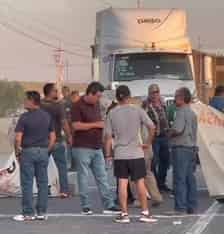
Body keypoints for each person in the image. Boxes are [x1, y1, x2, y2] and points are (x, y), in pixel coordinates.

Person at [104, 85, 157, 223]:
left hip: (120, 153)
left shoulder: (111, 113)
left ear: (117, 97)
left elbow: (108, 137)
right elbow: (152, 126)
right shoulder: (137, 110)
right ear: (129, 96)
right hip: (136, 152)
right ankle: (145, 213)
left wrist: (108, 154)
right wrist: (148, 143)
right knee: (140, 183)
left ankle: (124, 214)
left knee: (122, 183)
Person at [71, 82, 120, 215]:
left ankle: (108, 204)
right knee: (83, 177)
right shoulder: (77, 105)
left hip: (96, 146)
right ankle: (86, 206)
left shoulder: (96, 104)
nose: (98, 99)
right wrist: (96, 124)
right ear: (90, 93)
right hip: (82, 147)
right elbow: (76, 126)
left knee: (102, 177)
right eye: (97, 96)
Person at [13, 91, 56, 222]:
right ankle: (41, 212)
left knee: (27, 183)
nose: (24, 102)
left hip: (28, 152)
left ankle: (28, 213)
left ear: (32, 101)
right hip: (43, 152)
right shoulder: (47, 116)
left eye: (26, 100)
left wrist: (17, 152)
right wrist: (46, 150)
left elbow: (17, 138)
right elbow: (53, 137)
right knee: (42, 183)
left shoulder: (24, 117)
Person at [166, 87, 198, 215]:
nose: (175, 98)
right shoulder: (192, 113)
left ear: (182, 98)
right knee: (190, 178)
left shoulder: (181, 112)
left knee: (179, 179)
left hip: (180, 147)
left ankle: (180, 208)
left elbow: (178, 129)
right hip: (190, 148)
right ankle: (192, 206)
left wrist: (169, 132)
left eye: (177, 96)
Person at [40, 83, 72, 198]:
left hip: (42, 141)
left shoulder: (39, 105)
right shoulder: (58, 106)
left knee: (42, 167)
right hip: (57, 140)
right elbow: (64, 122)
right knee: (62, 167)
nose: (57, 93)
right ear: (50, 92)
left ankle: (42, 190)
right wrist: (69, 136)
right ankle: (64, 190)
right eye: (55, 91)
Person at [142, 84, 172, 193]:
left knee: (165, 161)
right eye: (152, 92)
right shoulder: (145, 105)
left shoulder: (163, 103)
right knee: (153, 161)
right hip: (153, 137)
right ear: (149, 94)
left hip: (164, 136)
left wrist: (168, 129)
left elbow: (166, 118)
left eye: (156, 92)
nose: (155, 94)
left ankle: (161, 183)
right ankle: (153, 185)